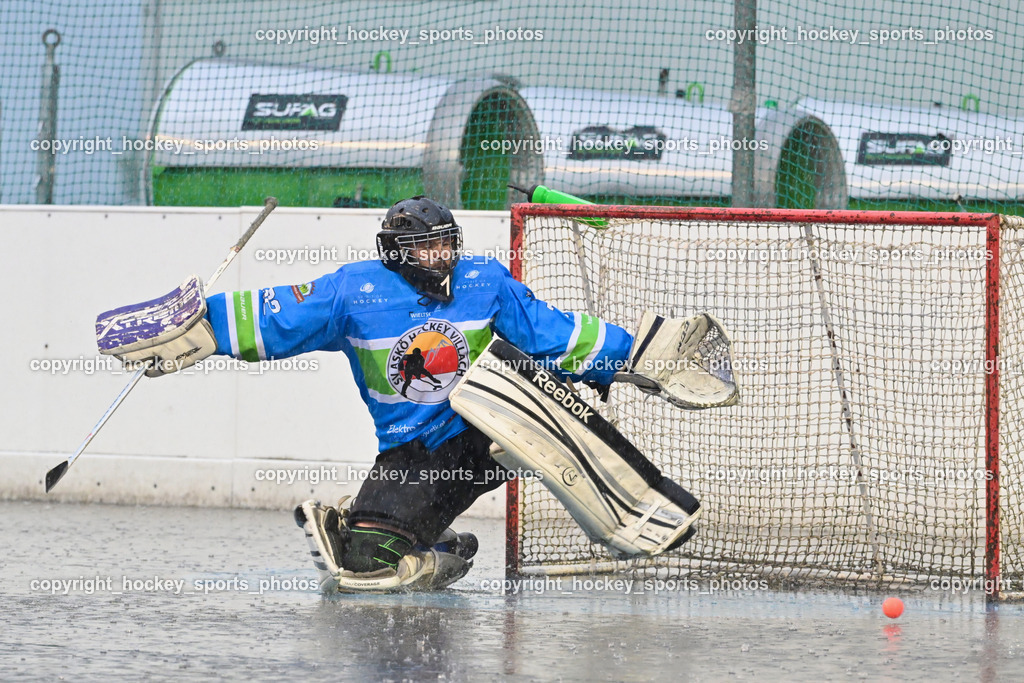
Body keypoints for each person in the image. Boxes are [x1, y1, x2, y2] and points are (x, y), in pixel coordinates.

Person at [107, 195, 715, 592]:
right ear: (396, 252)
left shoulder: (484, 281)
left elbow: (553, 334)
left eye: (447, 244)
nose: (441, 258)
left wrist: (633, 356)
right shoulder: (353, 291)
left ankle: (638, 507)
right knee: (365, 568)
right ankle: (435, 546)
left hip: (489, 430)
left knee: (515, 378)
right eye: (428, 248)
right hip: (415, 453)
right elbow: (275, 317)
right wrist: (203, 327)